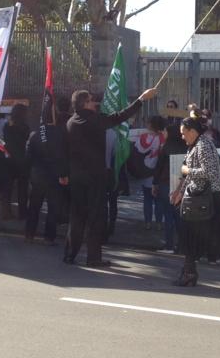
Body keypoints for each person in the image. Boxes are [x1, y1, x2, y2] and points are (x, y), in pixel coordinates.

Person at [64, 86, 156, 266]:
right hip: (95, 177)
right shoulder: (93, 120)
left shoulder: (70, 123)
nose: (94, 103)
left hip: (76, 177)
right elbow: (119, 117)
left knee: (76, 217)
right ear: (84, 103)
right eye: (91, 100)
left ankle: (70, 254)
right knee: (96, 217)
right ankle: (93, 258)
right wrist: (141, 99)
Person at [173, 117, 220, 286]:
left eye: (183, 133)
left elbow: (209, 173)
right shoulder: (194, 145)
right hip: (198, 198)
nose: (182, 137)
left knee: (196, 236)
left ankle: (190, 273)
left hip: (207, 198)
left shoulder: (204, 145)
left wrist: (187, 170)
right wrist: (180, 192)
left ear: (192, 131)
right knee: (200, 237)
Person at [25, 110, 69, 244]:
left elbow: (29, 156)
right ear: (54, 119)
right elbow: (64, 156)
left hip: (38, 174)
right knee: (53, 208)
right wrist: (64, 174)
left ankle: (29, 234)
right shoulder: (61, 134)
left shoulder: (36, 134)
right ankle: (49, 237)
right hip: (54, 175)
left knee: (34, 206)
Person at [153, 124, 186, 252]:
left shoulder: (166, 148)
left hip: (166, 183)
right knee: (179, 216)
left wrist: (155, 183)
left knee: (168, 216)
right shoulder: (186, 147)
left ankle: (169, 244)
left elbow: (159, 167)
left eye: (165, 131)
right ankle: (182, 245)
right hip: (181, 184)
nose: (163, 133)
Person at [135, 115, 166, 231]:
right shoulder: (163, 138)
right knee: (159, 200)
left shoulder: (142, 137)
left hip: (145, 170)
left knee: (147, 198)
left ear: (150, 125)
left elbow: (137, 150)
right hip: (159, 172)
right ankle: (158, 223)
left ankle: (147, 222)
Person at [2, 104, 31, 220]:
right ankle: (22, 213)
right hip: (22, 159)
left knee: (7, 188)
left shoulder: (7, 126)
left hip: (8, 159)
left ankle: (6, 212)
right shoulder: (25, 127)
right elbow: (26, 140)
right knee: (22, 189)